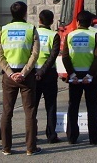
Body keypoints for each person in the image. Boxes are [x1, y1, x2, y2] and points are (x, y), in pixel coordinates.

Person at [0, 1, 41, 156]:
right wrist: (24, 72)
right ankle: (30, 147)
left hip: (9, 77)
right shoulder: (31, 29)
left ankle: (6, 148)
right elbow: (35, 54)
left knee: (7, 112)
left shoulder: (3, 31)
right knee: (30, 112)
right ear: (25, 13)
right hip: (26, 77)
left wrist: (9, 72)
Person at [62, 10, 97, 146]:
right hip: (90, 76)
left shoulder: (69, 35)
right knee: (92, 107)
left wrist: (71, 74)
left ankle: (72, 137)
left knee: (73, 106)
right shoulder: (95, 35)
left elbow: (65, 57)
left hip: (75, 76)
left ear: (77, 22)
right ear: (90, 23)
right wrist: (90, 75)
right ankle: (94, 137)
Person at [34, 10, 61, 144]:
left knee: (32, 106)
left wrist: (38, 72)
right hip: (49, 73)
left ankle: (32, 134)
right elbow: (53, 56)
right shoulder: (54, 35)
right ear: (51, 21)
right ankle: (51, 135)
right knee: (50, 105)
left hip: (33, 73)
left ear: (39, 20)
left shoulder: (33, 34)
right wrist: (44, 71)